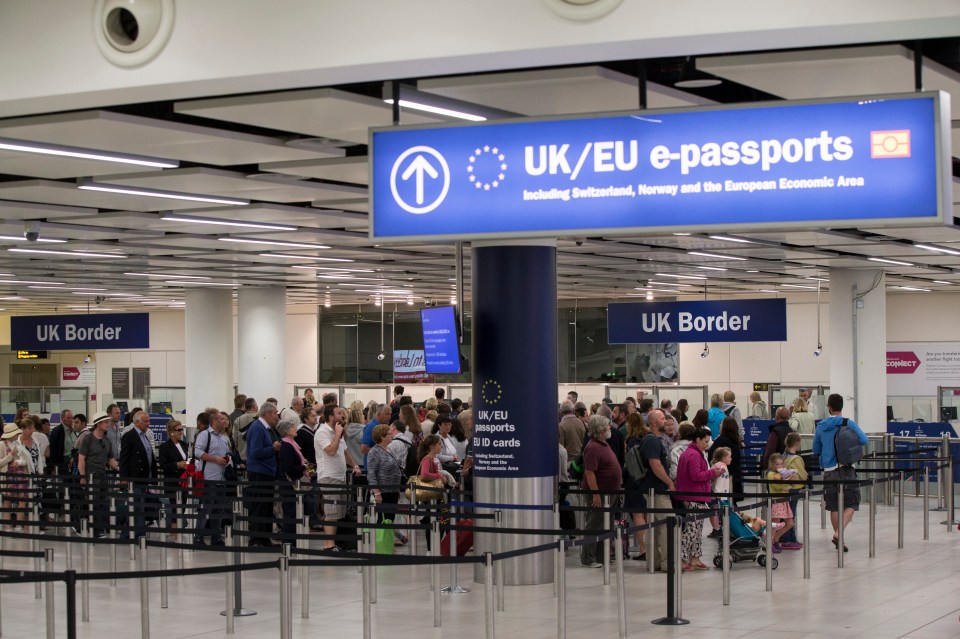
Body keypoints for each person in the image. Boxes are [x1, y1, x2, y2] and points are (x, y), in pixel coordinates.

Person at [812, 393, 868, 552]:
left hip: (828, 471)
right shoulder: (848, 423)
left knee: (834, 506)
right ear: (841, 406)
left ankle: (839, 537)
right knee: (852, 503)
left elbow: (816, 449)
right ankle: (839, 533)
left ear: (829, 407)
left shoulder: (821, 426)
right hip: (846, 468)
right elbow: (864, 440)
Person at [314, 405, 362, 551]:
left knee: (340, 512)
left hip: (340, 476)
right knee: (331, 511)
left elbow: (345, 451)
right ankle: (329, 545)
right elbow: (331, 450)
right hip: (329, 476)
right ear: (330, 417)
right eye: (339, 413)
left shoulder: (338, 433)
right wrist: (337, 434)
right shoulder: (322, 432)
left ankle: (338, 543)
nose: (342, 415)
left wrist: (355, 466)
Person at [675, 427, 723, 571]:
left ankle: (695, 558)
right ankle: (682, 559)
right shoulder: (694, 455)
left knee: (697, 529)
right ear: (698, 440)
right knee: (691, 529)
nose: (707, 444)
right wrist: (712, 472)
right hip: (694, 496)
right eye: (705, 441)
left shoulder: (691, 453)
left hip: (696, 495)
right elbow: (695, 475)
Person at [579, 414, 622, 568]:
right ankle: (587, 557)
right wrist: (596, 494)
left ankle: (601, 556)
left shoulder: (603, 444)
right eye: (607, 425)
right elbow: (589, 472)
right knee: (594, 524)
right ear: (600, 429)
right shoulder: (592, 447)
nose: (610, 427)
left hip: (610, 493)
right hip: (600, 493)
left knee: (606, 524)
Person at [637, 409, 676, 572]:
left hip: (655, 489)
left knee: (656, 527)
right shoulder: (652, 441)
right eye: (662, 418)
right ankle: (668, 563)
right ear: (654, 422)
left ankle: (654, 562)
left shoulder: (655, 440)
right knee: (669, 523)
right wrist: (670, 483)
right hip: (656, 490)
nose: (665, 421)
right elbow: (655, 464)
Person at [119, 411, 159, 540]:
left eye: (148, 420)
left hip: (144, 478)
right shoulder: (129, 436)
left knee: (140, 507)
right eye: (146, 421)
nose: (149, 423)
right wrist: (123, 478)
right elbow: (124, 459)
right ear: (137, 422)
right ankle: (133, 535)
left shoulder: (145, 436)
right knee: (137, 507)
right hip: (134, 478)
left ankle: (134, 534)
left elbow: (150, 457)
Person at [245, 402, 281, 547]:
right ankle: (256, 539)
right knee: (259, 506)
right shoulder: (257, 428)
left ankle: (265, 538)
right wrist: (273, 448)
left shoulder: (265, 428)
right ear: (267, 413)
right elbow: (256, 452)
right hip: (259, 472)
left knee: (266, 507)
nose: (276, 416)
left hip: (267, 472)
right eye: (274, 413)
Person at [78, 412, 119, 538]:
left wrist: (120, 469)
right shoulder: (88, 439)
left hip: (102, 476)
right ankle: (93, 530)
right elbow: (81, 459)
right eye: (106, 422)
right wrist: (83, 477)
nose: (108, 425)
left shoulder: (106, 441)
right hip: (90, 476)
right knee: (92, 503)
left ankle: (98, 528)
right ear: (98, 423)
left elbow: (110, 459)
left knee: (101, 503)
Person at [194, 411, 232, 547]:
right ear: (215, 421)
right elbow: (197, 452)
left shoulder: (223, 437)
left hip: (221, 478)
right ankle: (198, 537)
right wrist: (215, 458)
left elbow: (226, 453)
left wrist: (228, 460)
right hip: (208, 478)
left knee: (219, 509)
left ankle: (216, 537)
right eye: (222, 419)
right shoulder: (205, 435)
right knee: (206, 509)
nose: (225, 421)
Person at [277, 419, 309, 547]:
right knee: (290, 512)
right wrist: (304, 468)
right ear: (286, 431)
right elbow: (289, 467)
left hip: (293, 483)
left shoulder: (292, 444)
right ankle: (289, 541)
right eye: (292, 427)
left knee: (294, 511)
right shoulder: (287, 445)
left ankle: (293, 539)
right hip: (289, 484)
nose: (295, 429)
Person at [622, 413, 649, 560]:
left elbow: (631, 464)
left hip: (634, 482)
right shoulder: (647, 437)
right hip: (646, 481)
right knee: (645, 514)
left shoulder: (632, 441)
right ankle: (649, 547)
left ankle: (643, 549)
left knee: (638, 515)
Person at [157, 419, 189, 539]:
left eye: (182, 429)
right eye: (179, 430)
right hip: (172, 480)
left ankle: (178, 528)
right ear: (171, 432)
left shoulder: (184, 445)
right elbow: (164, 465)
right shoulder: (165, 447)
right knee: (175, 506)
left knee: (183, 505)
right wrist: (177, 465)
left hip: (184, 480)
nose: (181, 432)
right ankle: (174, 530)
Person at [367, 424, 403, 525]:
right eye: (389, 434)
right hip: (383, 491)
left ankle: (387, 539)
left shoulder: (389, 449)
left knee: (390, 519)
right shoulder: (374, 452)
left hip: (393, 490)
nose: (391, 435)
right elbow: (371, 474)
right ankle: (381, 540)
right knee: (383, 519)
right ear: (382, 437)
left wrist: (397, 489)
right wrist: (377, 493)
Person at [779, 432, 808, 549]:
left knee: (787, 514)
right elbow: (802, 475)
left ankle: (790, 538)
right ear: (796, 443)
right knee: (791, 515)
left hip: (784, 489)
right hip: (794, 489)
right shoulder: (796, 459)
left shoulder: (783, 456)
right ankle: (788, 539)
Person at [765, 453, 796, 553]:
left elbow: (790, 486)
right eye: (777, 464)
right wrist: (786, 480)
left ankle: (776, 539)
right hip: (776, 501)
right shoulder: (771, 474)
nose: (780, 466)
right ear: (772, 465)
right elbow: (777, 487)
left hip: (784, 501)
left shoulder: (783, 474)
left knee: (790, 523)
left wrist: (790, 479)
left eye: (781, 464)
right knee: (775, 524)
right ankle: (769, 543)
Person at [708, 417, 743, 499]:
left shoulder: (721, 440)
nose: (720, 425)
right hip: (735, 475)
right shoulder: (736, 441)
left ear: (725, 427)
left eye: (721, 424)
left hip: (723, 477)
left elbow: (711, 455)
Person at [708, 447, 732, 537]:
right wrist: (718, 493)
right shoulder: (722, 467)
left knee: (714, 511)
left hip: (716, 493)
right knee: (715, 511)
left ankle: (716, 528)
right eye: (729, 457)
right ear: (723, 458)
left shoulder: (719, 465)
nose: (731, 458)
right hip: (717, 494)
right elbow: (718, 479)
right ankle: (717, 529)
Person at [761, 406, 794, 471]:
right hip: (789, 468)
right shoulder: (792, 431)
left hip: (776, 469)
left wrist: (765, 468)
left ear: (776, 417)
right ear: (788, 417)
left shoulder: (775, 432)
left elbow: (769, 452)